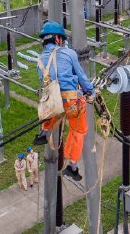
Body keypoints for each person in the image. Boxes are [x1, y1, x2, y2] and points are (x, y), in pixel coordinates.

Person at [33, 21, 95, 182]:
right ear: (57, 38)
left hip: (52, 101)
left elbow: (47, 82)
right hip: (71, 101)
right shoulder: (69, 54)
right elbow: (81, 76)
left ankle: (45, 131)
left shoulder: (40, 60)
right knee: (78, 130)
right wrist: (90, 91)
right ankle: (72, 166)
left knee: (54, 108)